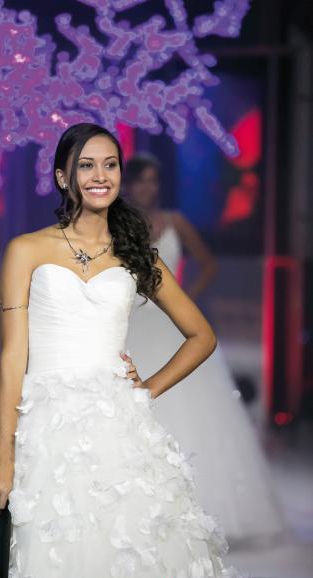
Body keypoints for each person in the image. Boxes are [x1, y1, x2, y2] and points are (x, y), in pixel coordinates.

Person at [0, 124, 249, 578]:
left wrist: (146, 389)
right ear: (63, 177)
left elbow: (201, 336)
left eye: (110, 164)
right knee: (31, 565)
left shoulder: (137, 254)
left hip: (117, 430)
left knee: (127, 555)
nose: (101, 175)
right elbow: (13, 356)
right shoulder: (27, 250)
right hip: (42, 426)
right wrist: (4, 455)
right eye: (87, 165)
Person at [123, 152, 287, 547]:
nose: (147, 187)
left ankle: (196, 515)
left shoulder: (175, 222)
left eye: (153, 180)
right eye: (141, 180)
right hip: (133, 323)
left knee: (189, 413)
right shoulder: (119, 225)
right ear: (128, 184)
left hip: (173, 326)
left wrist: (185, 300)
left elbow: (208, 264)